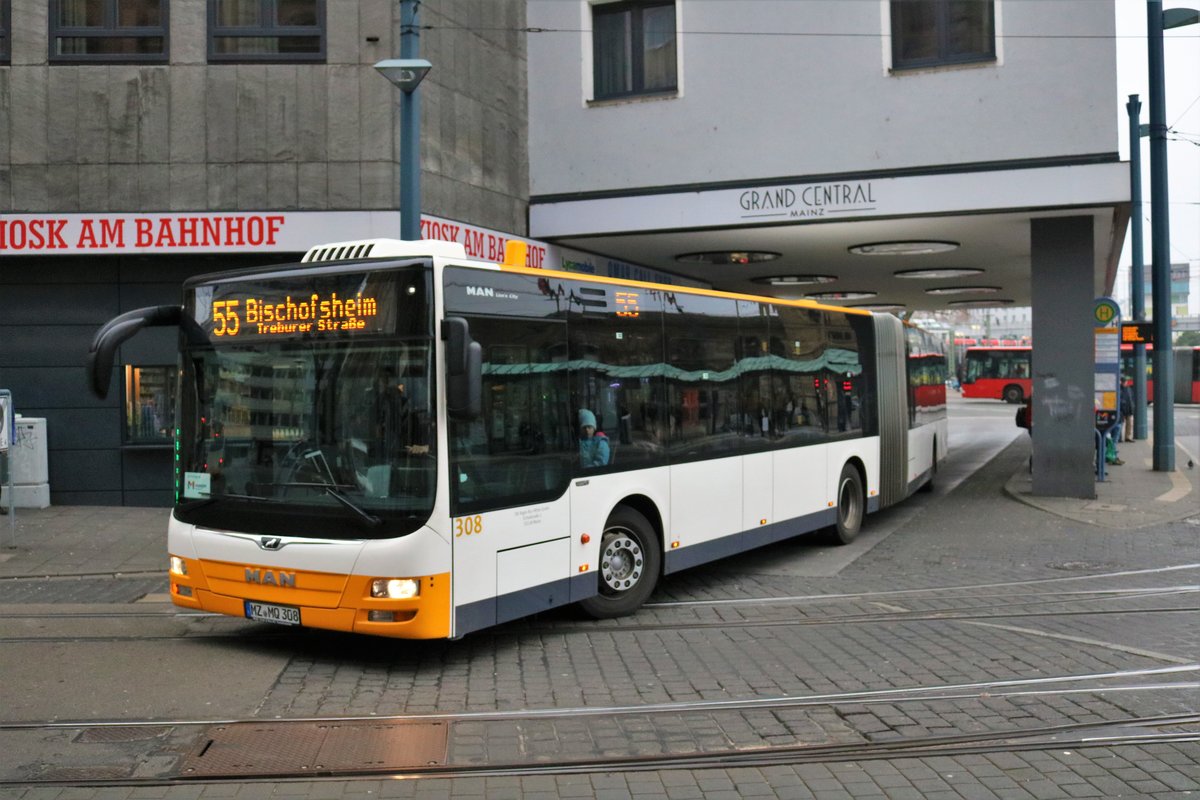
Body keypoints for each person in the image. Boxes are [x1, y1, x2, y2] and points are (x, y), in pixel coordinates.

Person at [1120, 377, 1134, 443]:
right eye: (1124, 382)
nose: (1125, 383)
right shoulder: (1120, 389)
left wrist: (1132, 407)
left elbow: (1131, 398)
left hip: (1128, 409)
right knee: (1120, 424)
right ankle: (1120, 438)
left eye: (1125, 382)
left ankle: (1127, 437)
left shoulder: (1129, 389)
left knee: (1129, 424)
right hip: (1122, 409)